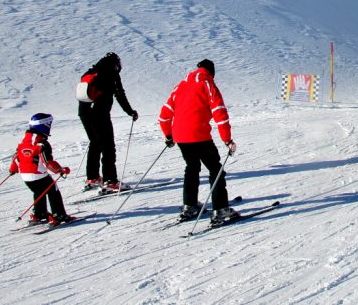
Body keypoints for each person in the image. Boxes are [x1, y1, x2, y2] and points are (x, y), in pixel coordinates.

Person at [158, 59, 239, 226]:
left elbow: (164, 114)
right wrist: (227, 139)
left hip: (180, 136)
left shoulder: (180, 85)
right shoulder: (208, 84)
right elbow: (220, 113)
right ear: (211, 72)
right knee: (215, 169)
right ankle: (221, 209)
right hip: (199, 135)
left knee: (192, 167)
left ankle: (190, 205)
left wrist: (168, 135)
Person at [78, 52, 139, 193]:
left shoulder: (90, 72)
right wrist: (130, 111)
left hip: (84, 113)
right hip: (99, 114)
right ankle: (110, 181)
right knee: (108, 147)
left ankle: (92, 177)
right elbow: (120, 94)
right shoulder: (111, 73)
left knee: (95, 143)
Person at [9, 112, 73, 225]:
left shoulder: (25, 140)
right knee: (53, 191)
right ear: (44, 126)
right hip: (38, 174)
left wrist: (13, 168)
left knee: (39, 191)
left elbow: (17, 155)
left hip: (25, 176)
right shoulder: (42, 143)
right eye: (49, 124)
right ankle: (59, 215)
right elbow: (47, 162)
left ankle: (40, 213)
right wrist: (60, 170)